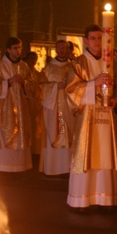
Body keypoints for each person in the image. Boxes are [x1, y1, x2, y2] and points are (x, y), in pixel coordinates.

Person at [65, 24, 117, 209]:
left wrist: (116, 99)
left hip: (107, 117)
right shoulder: (77, 63)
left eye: (100, 38)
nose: (97, 42)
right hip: (87, 118)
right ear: (86, 40)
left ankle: (106, 197)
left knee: (105, 152)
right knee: (87, 152)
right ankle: (82, 198)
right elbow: (71, 92)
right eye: (93, 38)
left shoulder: (112, 63)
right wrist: (94, 83)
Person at [0, 37, 35, 172]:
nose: (18, 51)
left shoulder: (24, 66)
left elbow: (33, 85)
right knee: (6, 135)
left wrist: (24, 83)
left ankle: (20, 166)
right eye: (15, 48)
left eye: (20, 48)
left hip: (22, 107)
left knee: (21, 135)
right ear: (8, 49)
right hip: (5, 107)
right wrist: (8, 82)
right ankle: (4, 167)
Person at [38, 39, 74, 175]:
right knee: (54, 133)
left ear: (68, 49)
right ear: (56, 49)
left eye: (64, 48)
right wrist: (55, 86)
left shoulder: (73, 67)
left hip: (69, 106)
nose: (62, 50)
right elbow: (40, 86)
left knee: (69, 134)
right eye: (59, 48)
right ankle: (53, 168)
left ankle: (68, 168)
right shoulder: (49, 68)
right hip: (52, 107)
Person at [24, 51, 43, 155]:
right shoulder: (24, 72)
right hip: (26, 101)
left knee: (35, 126)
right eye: (31, 58)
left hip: (35, 102)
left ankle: (35, 150)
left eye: (34, 59)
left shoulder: (38, 74)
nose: (33, 61)